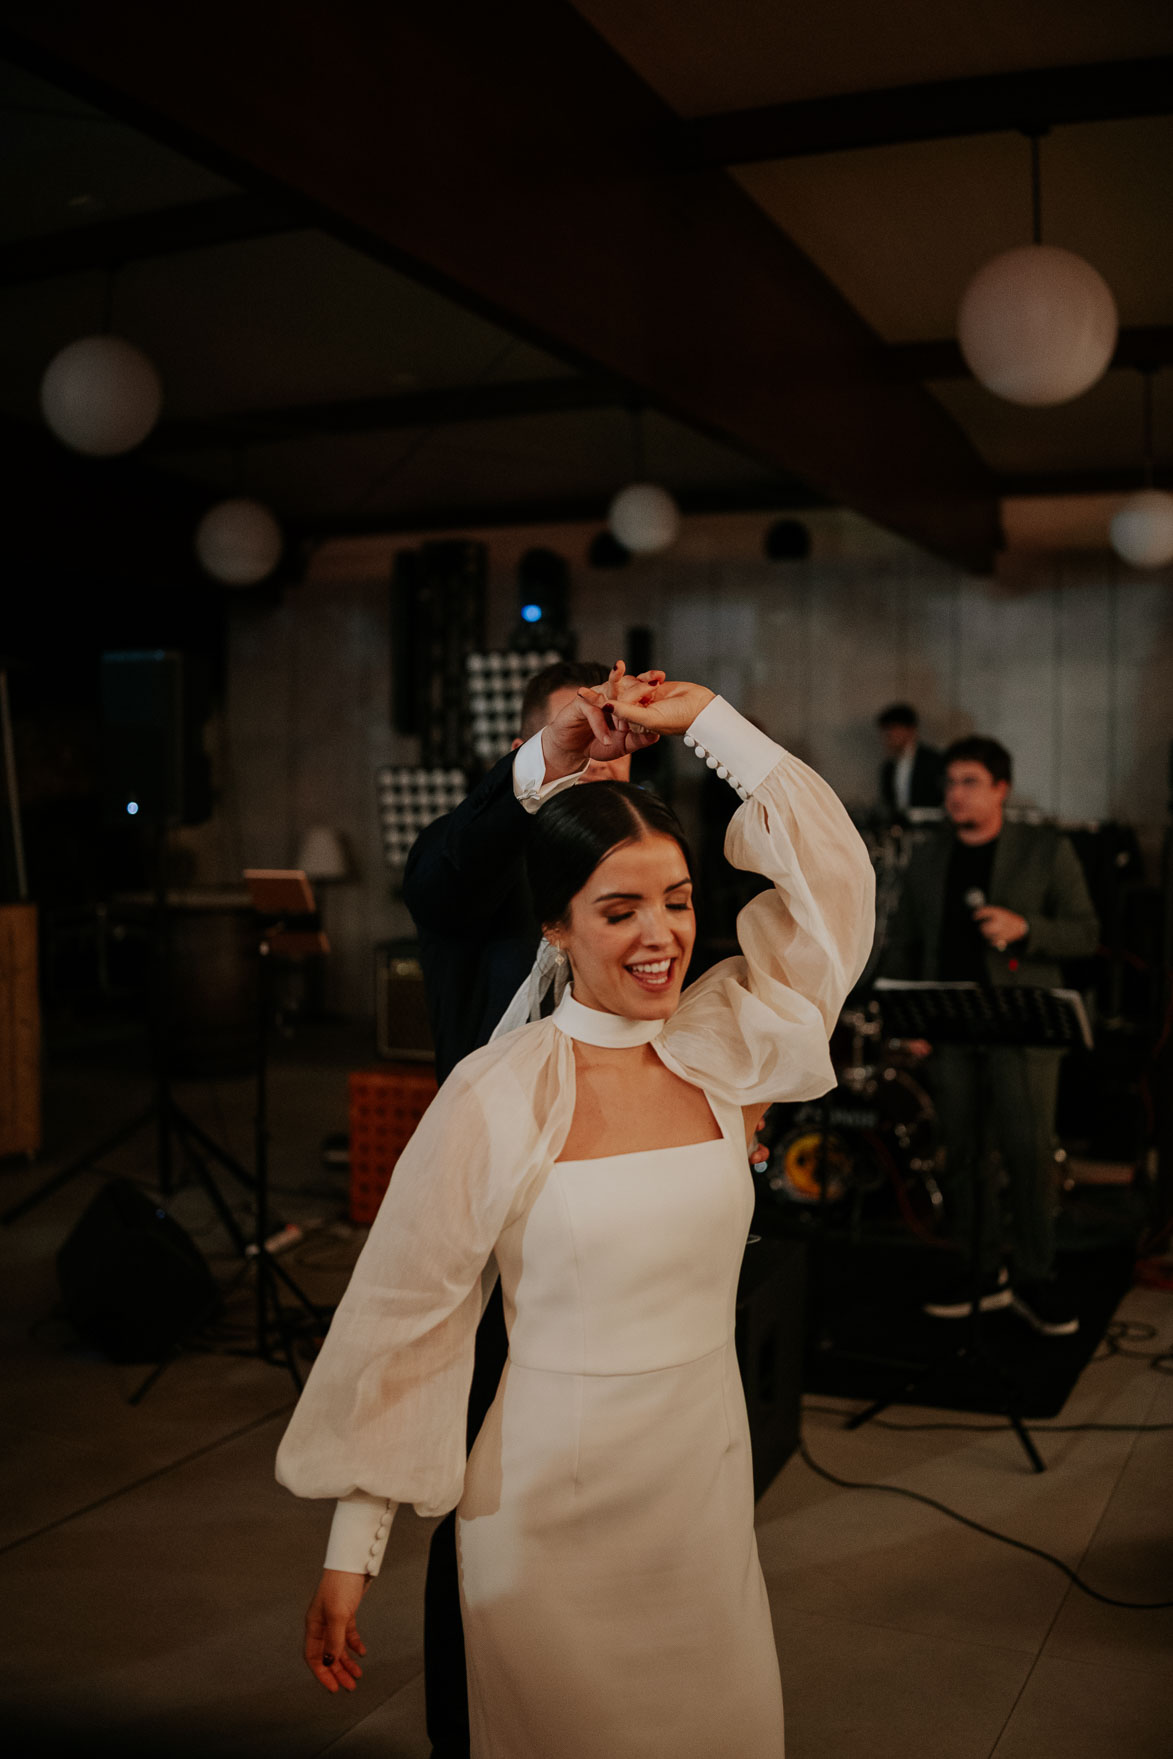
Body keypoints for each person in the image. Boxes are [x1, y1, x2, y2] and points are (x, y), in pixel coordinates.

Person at [276, 674, 875, 1758]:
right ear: (554, 926)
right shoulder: (496, 1094)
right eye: (620, 908)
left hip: (700, 1485)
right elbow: (410, 1315)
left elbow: (832, 896)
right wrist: (350, 1550)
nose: (663, 936)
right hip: (541, 1505)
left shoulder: (726, 1049)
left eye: (680, 900)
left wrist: (713, 726)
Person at [402, 656, 661, 1757]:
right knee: (486, 1481)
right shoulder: (483, 843)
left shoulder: (638, 848)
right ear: (537, 736)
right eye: (578, 733)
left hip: (616, 1215)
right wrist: (548, 765)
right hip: (497, 1212)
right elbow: (435, 882)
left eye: (613, 733)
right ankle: (470, 1727)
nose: (603, 746)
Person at [880, 735, 1099, 1335]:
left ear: (1001, 788)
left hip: (1022, 1026)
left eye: (969, 781)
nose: (955, 794)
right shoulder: (928, 857)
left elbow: (1085, 933)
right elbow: (905, 941)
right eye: (950, 782)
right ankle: (982, 1272)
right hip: (949, 1027)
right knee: (964, 1155)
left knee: (1028, 1155)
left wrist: (1026, 928)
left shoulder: (1043, 849)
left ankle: (1034, 1275)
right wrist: (910, 1018)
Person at [876, 702, 944, 816]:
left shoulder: (932, 760)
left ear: (910, 730)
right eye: (886, 731)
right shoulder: (889, 767)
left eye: (893, 729)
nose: (889, 736)